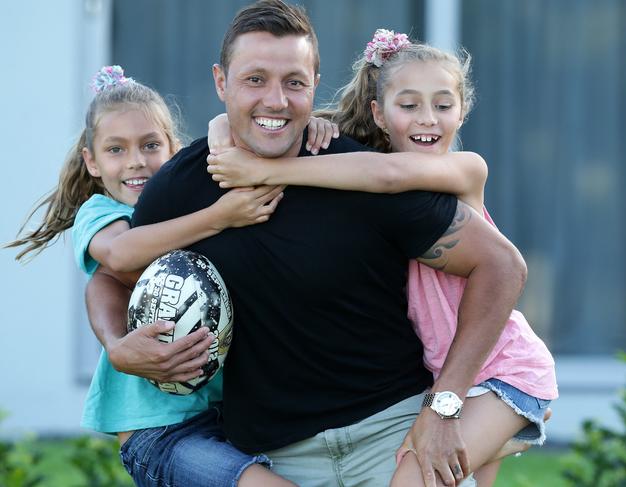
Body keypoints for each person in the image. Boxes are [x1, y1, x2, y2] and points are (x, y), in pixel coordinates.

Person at [86, 1, 527, 486]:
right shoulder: (180, 187)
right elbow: (114, 273)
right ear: (220, 82)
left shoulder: (362, 176)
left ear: (314, 85)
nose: (275, 100)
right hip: (274, 457)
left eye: (294, 82)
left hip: (396, 434)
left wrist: (446, 406)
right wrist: (117, 346)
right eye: (254, 79)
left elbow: (500, 265)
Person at [206, 32, 558, 487]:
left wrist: (264, 170)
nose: (427, 119)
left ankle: (505, 431)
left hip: (500, 371)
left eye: (443, 105)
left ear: (463, 110)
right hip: (445, 372)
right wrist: (224, 129)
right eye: (408, 105)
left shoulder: (467, 168)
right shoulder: (363, 171)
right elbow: (274, 129)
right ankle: (498, 443)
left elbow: (390, 175)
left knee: (412, 478)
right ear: (378, 112)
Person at [6, 65, 294, 487]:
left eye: (150, 145)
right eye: (116, 149)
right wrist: (220, 217)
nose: (136, 161)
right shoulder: (103, 213)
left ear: (174, 150)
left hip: (227, 417)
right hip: (157, 433)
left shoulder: (185, 209)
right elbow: (119, 257)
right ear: (92, 161)